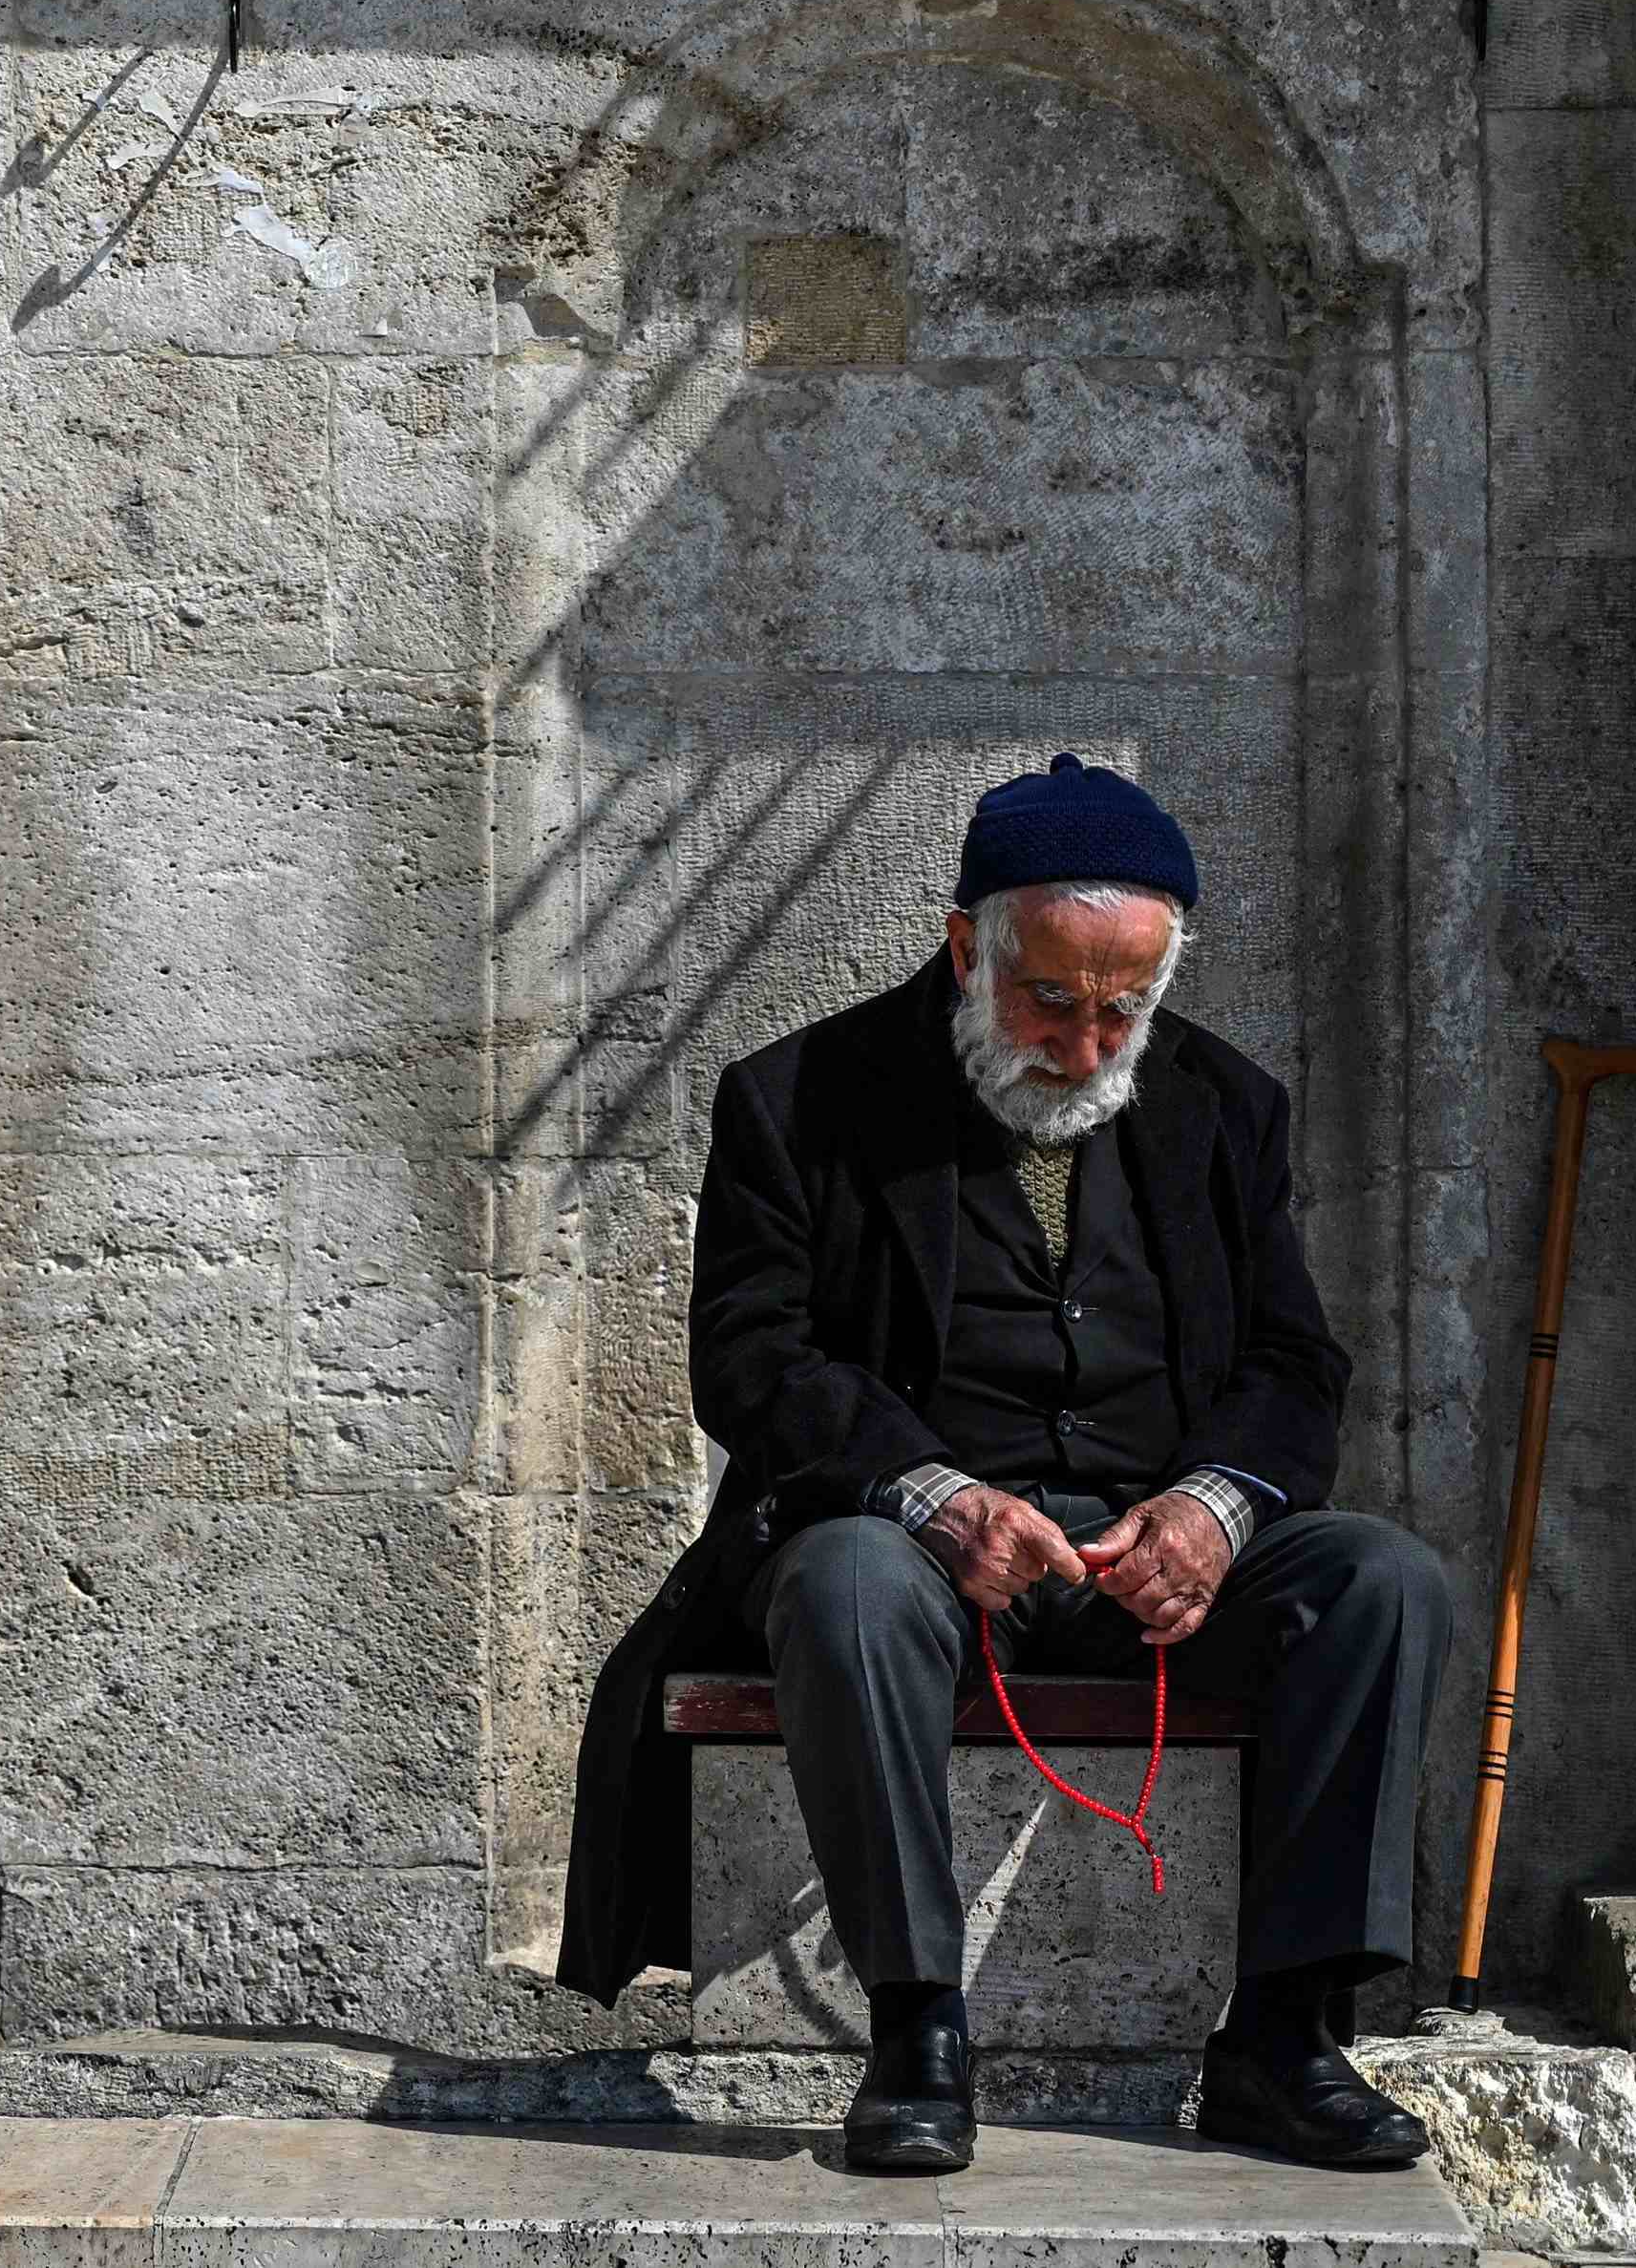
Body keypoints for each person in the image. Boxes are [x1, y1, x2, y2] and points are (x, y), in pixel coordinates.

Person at [553, 754, 1455, 2174]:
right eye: (1051, 1000)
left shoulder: (1229, 1109)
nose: (1088, 1050)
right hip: (917, 1547)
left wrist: (1213, 1515)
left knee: (1382, 1581)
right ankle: (918, 2027)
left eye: (1124, 1011)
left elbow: (1295, 1367)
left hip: (1148, 1558)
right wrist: (939, 1494)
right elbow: (749, 1361)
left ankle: (1287, 2037)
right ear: (967, 944)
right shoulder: (802, 1100)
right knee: (842, 1582)